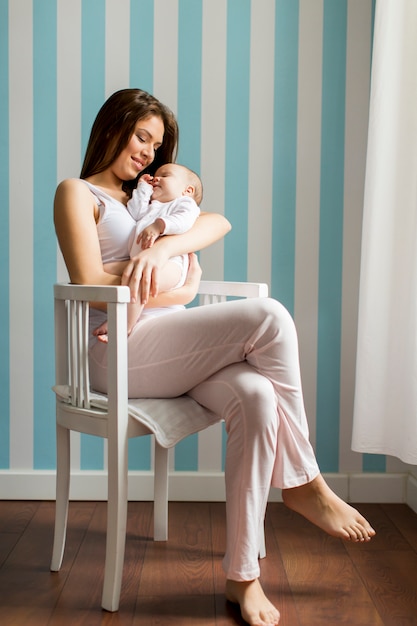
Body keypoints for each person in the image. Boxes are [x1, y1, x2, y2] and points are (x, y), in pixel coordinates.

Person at [54, 88, 376, 626]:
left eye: (156, 146)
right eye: (141, 136)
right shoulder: (80, 192)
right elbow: (88, 280)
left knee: (254, 394)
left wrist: (162, 250)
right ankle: (303, 483)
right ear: (114, 125)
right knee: (269, 315)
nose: (147, 153)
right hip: (114, 351)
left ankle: (243, 576)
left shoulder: (155, 202)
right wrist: (174, 285)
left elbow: (215, 221)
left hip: (170, 345)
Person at [95, 162, 202, 341]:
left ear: (187, 190)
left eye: (165, 175)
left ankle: (123, 325)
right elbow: (135, 212)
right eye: (155, 175)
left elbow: (185, 220)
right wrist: (143, 188)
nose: (156, 178)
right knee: (106, 269)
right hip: (141, 261)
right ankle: (129, 317)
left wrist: (159, 226)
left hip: (171, 265)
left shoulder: (184, 203)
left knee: (139, 281)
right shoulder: (153, 206)